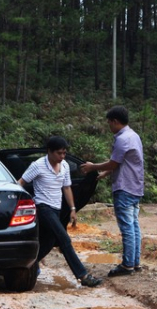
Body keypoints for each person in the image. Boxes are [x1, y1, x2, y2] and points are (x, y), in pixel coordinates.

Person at [18, 136, 103, 287]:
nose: (62, 156)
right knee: (64, 239)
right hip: (42, 207)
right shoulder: (37, 165)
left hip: (56, 208)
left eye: (64, 153)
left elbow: (67, 187)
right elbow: (21, 183)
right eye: (59, 153)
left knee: (49, 242)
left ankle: (25, 265)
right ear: (49, 152)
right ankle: (83, 276)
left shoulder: (64, 166)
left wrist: (72, 209)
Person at [81, 106, 144, 277]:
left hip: (124, 187)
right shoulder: (134, 136)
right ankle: (135, 262)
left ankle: (127, 265)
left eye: (109, 123)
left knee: (127, 227)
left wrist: (93, 167)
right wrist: (104, 174)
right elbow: (122, 162)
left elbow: (114, 163)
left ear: (115, 121)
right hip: (135, 187)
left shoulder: (122, 139)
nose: (109, 126)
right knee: (134, 225)